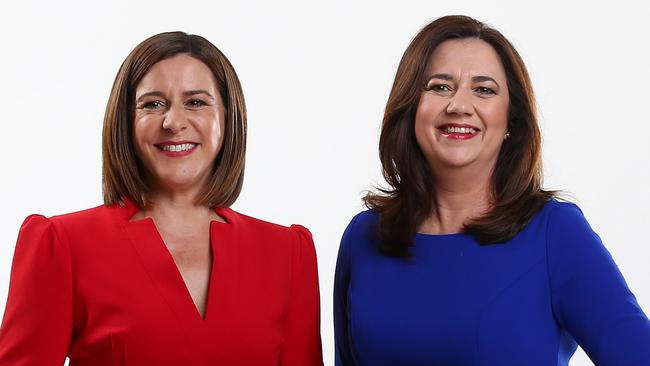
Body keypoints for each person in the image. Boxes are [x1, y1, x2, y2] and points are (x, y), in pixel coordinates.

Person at [334, 15, 650, 365]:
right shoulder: (363, 237)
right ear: (411, 108)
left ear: (510, 123)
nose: (459, 105)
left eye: (484, 90)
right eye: (440, 86)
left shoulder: (554, 233)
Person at [0, 32, 323, 365]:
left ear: (228, 117)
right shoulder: (62, 245)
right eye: (152, 104)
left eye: (196, 102)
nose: (173, 122)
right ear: (126, 120)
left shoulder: (287, 254)